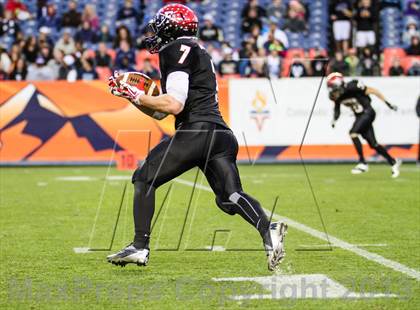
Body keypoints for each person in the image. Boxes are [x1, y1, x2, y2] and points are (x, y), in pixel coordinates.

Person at [107, 4, 287, 271]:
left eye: (159, 26)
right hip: (220, 134)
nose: (155, 33)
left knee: (144, 178)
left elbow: (174, 105)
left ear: (171, 27)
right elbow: (160, 113)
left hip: (196, 132)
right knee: (230, 197)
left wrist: (135, 94)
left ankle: (139, 246)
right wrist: (133, 98)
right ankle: (267, 229)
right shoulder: (195, 50)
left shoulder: (174, 49)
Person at [327, 72, 401, 177]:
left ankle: (362, 163)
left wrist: (388, 103)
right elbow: (337, 109)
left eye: (332, 86)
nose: (331, 90)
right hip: (360, 117)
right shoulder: (338, 96)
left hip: (368, 112)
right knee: (373, 144)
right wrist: (334, 120)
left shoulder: (352, 87)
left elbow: (373, 91)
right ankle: (393, 162)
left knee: (353, 133)